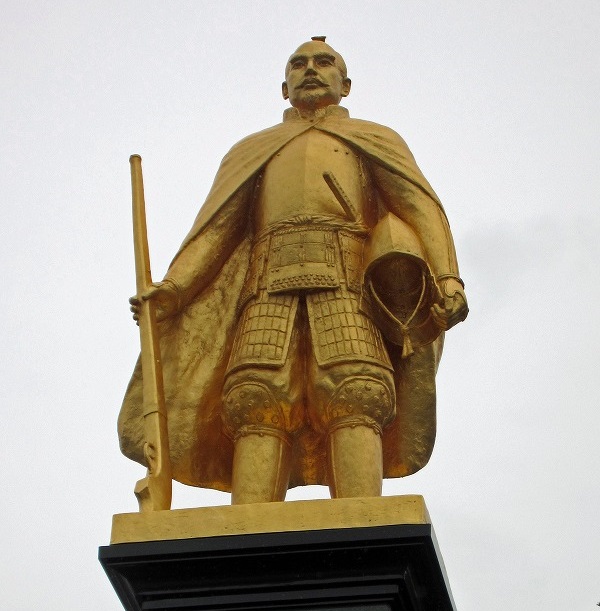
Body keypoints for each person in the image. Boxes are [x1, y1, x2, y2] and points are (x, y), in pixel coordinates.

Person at [121, 37, 468, 504]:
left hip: (347, 282)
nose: (310, 70)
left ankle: (361, 517)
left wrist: (447, 278)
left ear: (345, 84)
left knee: (357, 391)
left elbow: (420, 207)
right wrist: (174, 289)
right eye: (298, 64)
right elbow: (216, 230)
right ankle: (249, 525)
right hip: (267, 285)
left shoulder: (376, 138)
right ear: (284, 87)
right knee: (255, 399)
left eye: (323, 62)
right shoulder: (252, 149)